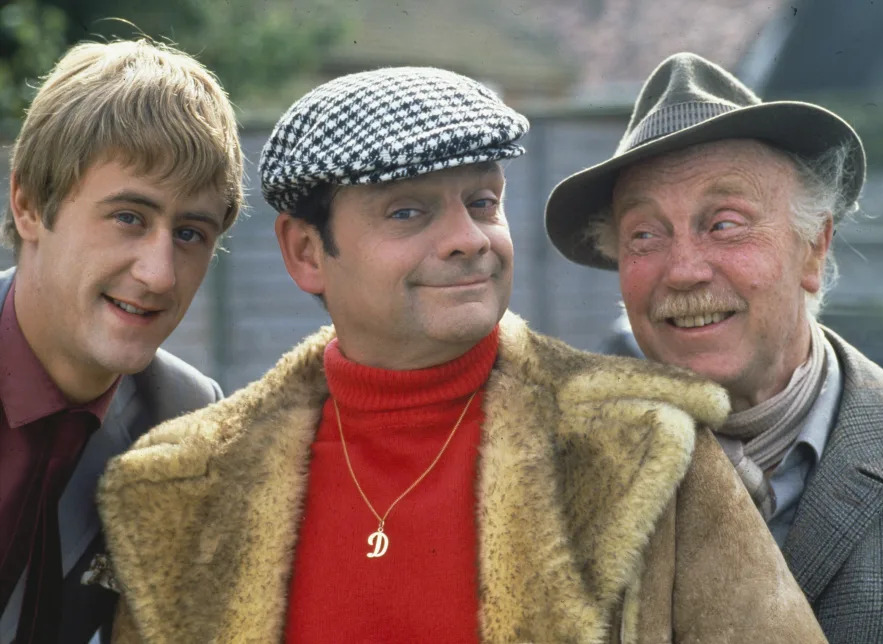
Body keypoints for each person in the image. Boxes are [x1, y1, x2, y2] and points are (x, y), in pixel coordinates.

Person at [98, 66, 825, 643]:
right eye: (409, 210)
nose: (468, 239)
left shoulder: (644, 444)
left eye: (482, 202)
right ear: (306, 251)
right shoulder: (184, 484)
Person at [546, 52, 883, 643]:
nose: (684, 270)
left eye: (725, 224)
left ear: (813, 249)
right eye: (645, 234)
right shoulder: (564, 480)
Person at [0, 39, 244, 643]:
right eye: (129, 217)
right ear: (29, 205)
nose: (159, 274)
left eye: (190, 233)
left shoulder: (184, 419)